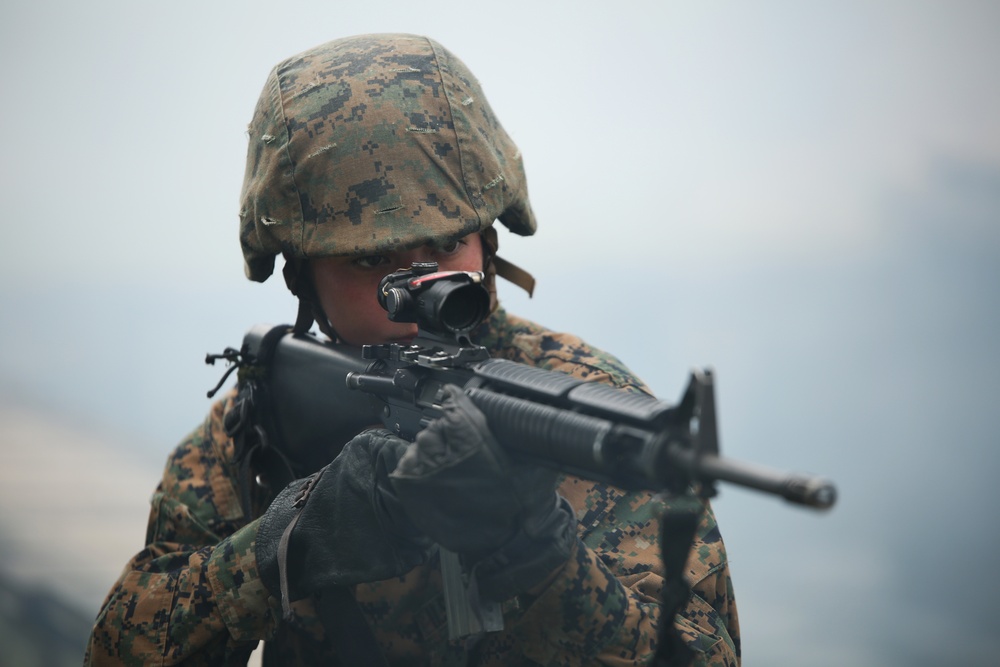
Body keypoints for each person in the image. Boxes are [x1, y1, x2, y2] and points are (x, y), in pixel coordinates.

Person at [84, 33, 740, 666]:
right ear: (301, 277)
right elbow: (121, 647)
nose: (421, 288)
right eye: (371, 261)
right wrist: (290, 544)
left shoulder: (589, 415)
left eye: (446, 247)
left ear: (488, 244)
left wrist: (544, 563)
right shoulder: (257, 429)